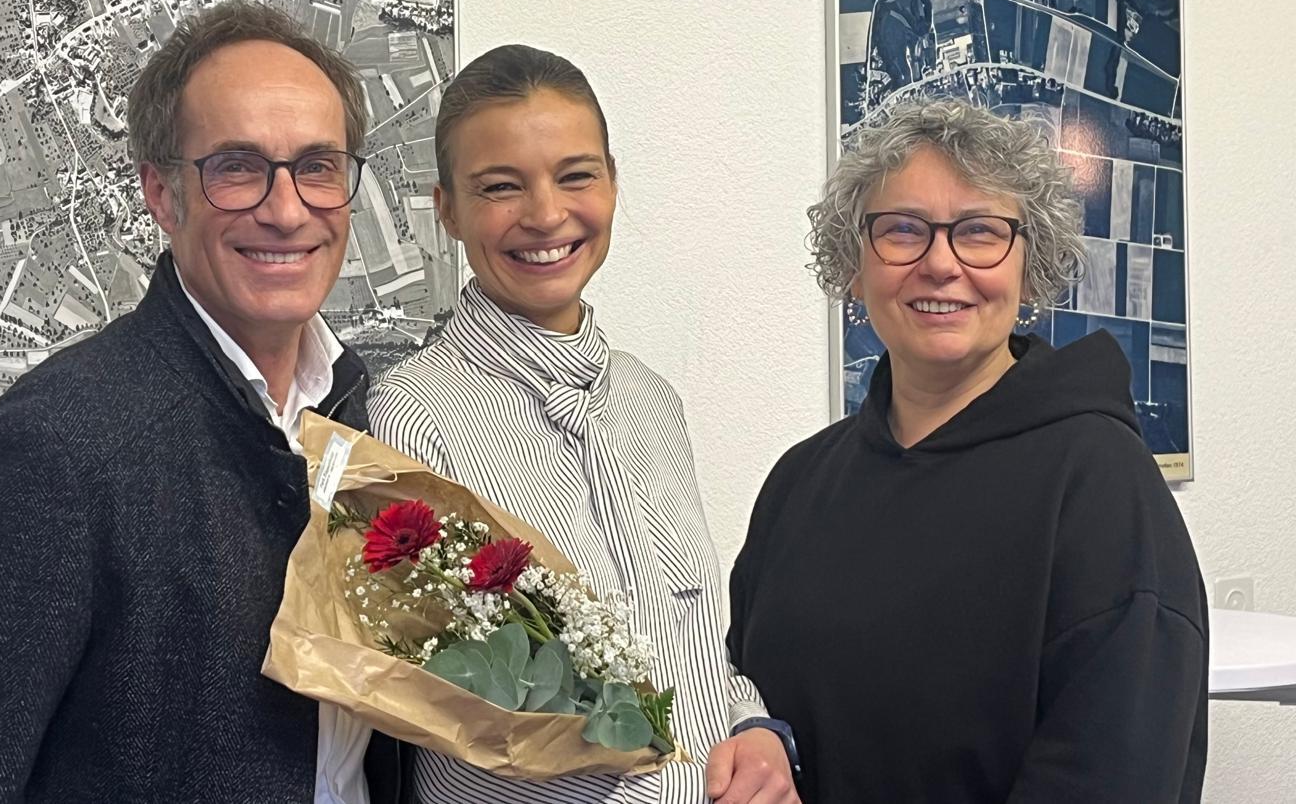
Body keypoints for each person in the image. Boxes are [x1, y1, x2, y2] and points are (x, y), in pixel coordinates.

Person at [0, 1, 407, 803]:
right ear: (161, 194)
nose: (287, 209)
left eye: (318, 166)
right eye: (236, 167)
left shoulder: (363, 416)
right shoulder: (50, 453)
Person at [728, 98, 1208, 802]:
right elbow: (739, 692)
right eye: (902, 230)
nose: (940, 264)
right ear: (854, 267)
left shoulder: (1099, 483)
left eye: (980, 232)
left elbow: (1113, 772)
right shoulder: (800, 482)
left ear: (1030, 268)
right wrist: (756, 735)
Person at [367, 44, 799, 804]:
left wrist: (754, 729)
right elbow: (456, 715)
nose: (545, 215)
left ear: (612, 181)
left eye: (576, 176)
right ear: (447, 210)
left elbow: (693, 649)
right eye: (501, 187)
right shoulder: (411, 419)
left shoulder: (649, 400)